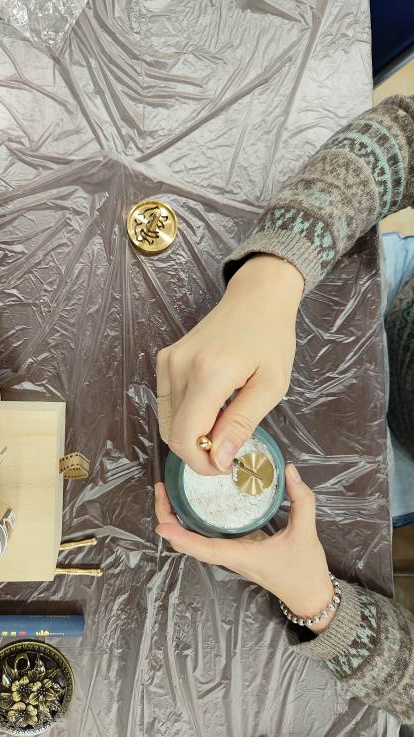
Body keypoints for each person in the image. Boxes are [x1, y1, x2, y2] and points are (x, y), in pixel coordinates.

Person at [155, 93, 414, 724]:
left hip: (394, 472)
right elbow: (404, 136)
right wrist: (273, 274)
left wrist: (320, 604)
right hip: (378, 292)